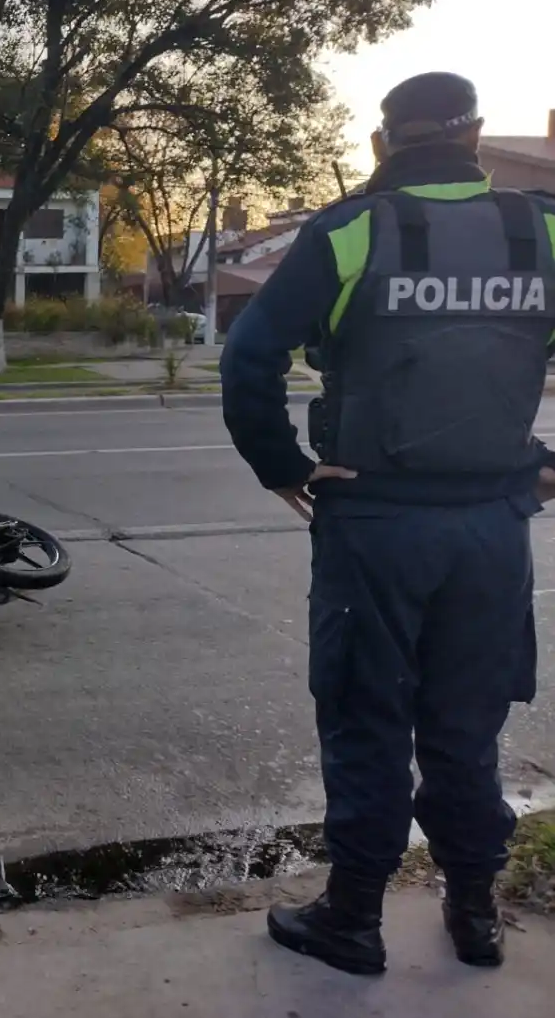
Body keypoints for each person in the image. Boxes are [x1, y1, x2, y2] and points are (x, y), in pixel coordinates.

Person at [219, 72, 555, 976]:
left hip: (375, 524)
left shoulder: (350, 230)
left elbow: (248, 354)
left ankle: (353, 918)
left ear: (382, 144)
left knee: (369, 718)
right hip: (492, 529)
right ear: (476, 135)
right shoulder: (542, 230)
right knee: (466, 723)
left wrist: (280, 464)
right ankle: (474, 911)